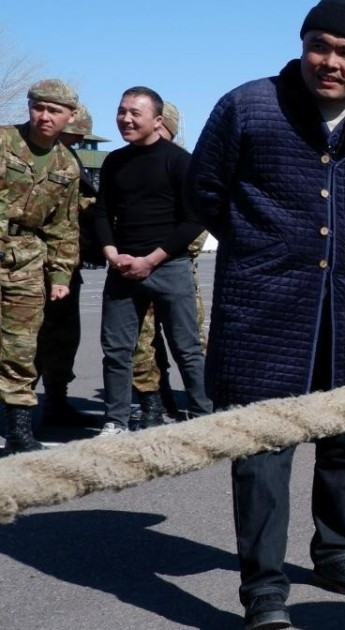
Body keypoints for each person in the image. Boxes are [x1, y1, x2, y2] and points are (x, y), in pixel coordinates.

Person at [186, 1, 345, 626]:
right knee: (263, 451)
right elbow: (204, 191)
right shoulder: (249, 106)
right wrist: (260, 246)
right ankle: (262, 587)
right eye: (321, 45)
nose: (331, 62)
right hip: (265, 310)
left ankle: (335, 552)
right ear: (303, 45)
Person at [92, 86, 211, 437]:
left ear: (157, 120)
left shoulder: (179, 161)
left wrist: (153, 259)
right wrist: (112, 253)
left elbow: (194, 219)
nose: (125, 119)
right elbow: (102, 213)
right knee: (116, 350)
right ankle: (115, 420)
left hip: (168, 267)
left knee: (186, 347)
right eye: (121, 111)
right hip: (123, 268)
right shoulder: (115, 161)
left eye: (135, 113)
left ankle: (203, 416)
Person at [0, 79, 81, 454]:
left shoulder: (67, 164)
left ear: (70, 116)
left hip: (27, 261)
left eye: (54, 110)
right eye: (38, 107)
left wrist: (61, 274)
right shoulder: (3, 141)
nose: (44, 116)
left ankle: (18, 430)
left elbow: (64, 226)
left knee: (21, 346)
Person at [35, 100, 96, 429]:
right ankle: (18, 412)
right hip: (34, 264)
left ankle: (56, 401)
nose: (75, 143)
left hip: (65, 263)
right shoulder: (41, 158)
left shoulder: (68, 158)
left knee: (63, 338)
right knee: (27, 340)